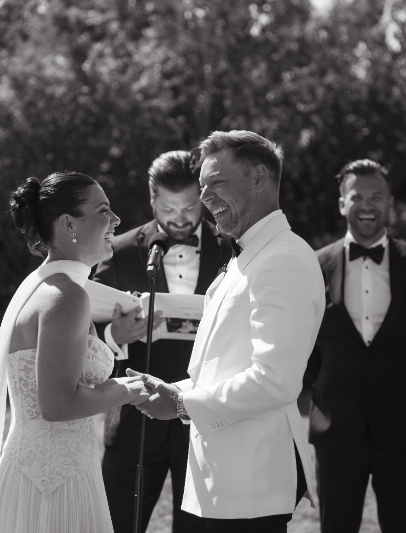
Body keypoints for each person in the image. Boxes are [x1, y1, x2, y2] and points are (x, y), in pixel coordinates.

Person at [131, 131, 325, 533]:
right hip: (226, 479)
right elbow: (221, 368)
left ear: (259, 177)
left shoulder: (283, 259)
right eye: (202, 186)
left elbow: (275, 380)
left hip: (250, 480)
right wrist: (172, 390)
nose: (204, 196)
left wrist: (181, 405)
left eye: (216, 182)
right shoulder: (248, 255)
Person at [0, 172, 151, 533]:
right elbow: (58, 404)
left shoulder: (47, 285)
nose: (116, 220)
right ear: (68, 224)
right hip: (53, 482)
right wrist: (128, 390)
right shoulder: (66, 295)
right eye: (103, 210)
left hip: (45, 469)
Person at [305, 159, 406, 533]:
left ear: (390, 203)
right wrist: (322, 382)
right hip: (335, 426)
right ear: (341, 203)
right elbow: (300, 339)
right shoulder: (313, 265)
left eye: (376, 196)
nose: (367, 205)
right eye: (356, 196)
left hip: (402, 425)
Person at [92, 150, 230, 533]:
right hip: (134, 419)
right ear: (152, 200)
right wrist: (115, 335)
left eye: (189, 208)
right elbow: (84, 330)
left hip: (207, 420)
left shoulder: (232, 248)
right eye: (168, 209)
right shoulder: (119, 252)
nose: (180, 219)